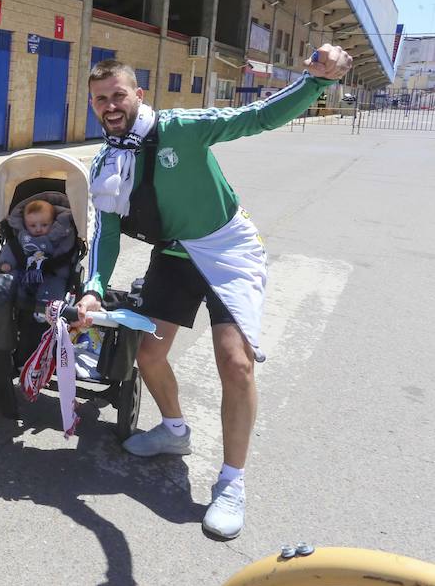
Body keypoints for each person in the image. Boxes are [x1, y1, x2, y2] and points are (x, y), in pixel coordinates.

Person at [75, 46, 352, 540]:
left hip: (227, 249)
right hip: (175, 256)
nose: (109, 106)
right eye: (99, 100)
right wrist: (93, 289)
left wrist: (316, 82)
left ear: (138, 95)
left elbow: (254, 117)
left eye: (118, 95)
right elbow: (105, 235)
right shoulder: (106, 163)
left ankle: (231, 481)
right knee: (150, 356)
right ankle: (175, 432)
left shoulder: (180, 126)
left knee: (235, 362)